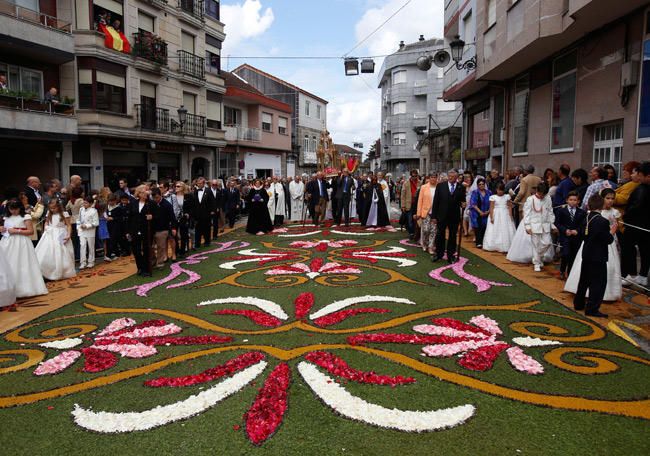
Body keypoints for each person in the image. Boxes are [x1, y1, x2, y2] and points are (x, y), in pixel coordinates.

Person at [565, 189, 622, 300]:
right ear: (601, 200)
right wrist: (612, 232)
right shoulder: (597, 217)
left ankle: (583, 300)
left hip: (594, 247)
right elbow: (604, 235)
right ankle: (593, 301)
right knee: (597, 276)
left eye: (612, 198)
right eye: (607, 198)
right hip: (600, 246)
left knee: (592, 273)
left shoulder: (613, 212)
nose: (610, 201)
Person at [570, 193, 616, 317]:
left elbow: (581, 234)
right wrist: (611, 232)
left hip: (587, 253)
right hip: (598, 256)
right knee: (598, 283)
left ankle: (578, 303)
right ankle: (592, 309)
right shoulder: (602, 221)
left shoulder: (586, 217)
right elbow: (607, 240)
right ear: (601, 206)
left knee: (584, 280)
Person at [0, 199, 48, 298]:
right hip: (7, 242)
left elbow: (30, 231)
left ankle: (25, 289)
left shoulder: (25, 216)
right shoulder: (6, 217)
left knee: (22, 264)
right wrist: (2, 229)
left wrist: (16, 231)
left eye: (16, 209)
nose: (13, 211)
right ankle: (10, 289)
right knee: (8, 264)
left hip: (21, 242)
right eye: (11, 209)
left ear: (20, 208)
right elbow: (6, 230)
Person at [621, 161, 650, 287]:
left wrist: (625, 217)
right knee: (645, 250)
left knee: (628, 248)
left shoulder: (641, 189)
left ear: (647, 176)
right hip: (646, 225)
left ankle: (631, 275)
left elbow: (635, 207)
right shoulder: (641, 187)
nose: (637, 176)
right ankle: (643, 275)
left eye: (639, 174)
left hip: (635, 225)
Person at [431, 169, 466, 263]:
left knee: (452, 236)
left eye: (453, 177)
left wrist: (463, 204)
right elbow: (436, 202)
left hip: (454, 216)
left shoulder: (461, 187)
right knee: (440, 235)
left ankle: (450, 255)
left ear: (457, 177)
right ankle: (439, 254)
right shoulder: (440, 186)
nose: (451, 178)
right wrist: (434, 216)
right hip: (441, 215)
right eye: (449, 176)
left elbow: (463, 200)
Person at [35, 199, 75, 280]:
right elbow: (46, 222)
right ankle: (48, 270)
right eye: (51, 208)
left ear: (58, 207)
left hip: (61, 233)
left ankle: (64, 270)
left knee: (63, 251)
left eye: (54, 208)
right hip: (50, 234)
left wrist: (68, 235)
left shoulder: (64, 214)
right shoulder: (49, 214)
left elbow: (68, 225)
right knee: (48, 251)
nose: (52, 210)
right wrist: (46, 227)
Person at [522, 183, 555, 272]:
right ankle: (537, 263)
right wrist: (527, 226)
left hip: (545, 225)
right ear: (537, 191)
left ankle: (538, 256)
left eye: (543, 194)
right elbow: (526, 213)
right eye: (540, 194)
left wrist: (552, 224)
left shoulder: (548, 198)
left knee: (547, 243)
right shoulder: (530, 199)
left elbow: (550, 211)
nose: (541, 196)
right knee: (535, 245)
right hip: (534, 225)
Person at [555, 191, 587, 280]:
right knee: (565, 254)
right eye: (571, 200)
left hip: (576, 238)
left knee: (573, 256)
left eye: (575, 200)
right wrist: (565, 230)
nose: (573, 202)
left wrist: (577, 231)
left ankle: (569, 273)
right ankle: (562, 270)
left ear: (578, 201)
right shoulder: (561, 211)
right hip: (565, 237)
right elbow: (557, 223)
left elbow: (583, 225)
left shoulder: (582, 213)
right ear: (567, 200)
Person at [128, 185, 158, 276]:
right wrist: (128, 231)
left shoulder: (151, 203)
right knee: (136, 250)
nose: (147, 193)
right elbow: (129, 218)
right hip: (135, 229)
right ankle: (140, 267)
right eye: (145, 191)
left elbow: (158, 216)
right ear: (139, 193)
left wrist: (152, 217)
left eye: (147, 191)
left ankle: (146, 269)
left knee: (146, 249)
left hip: (147, 230)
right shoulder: (133, 203)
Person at [483, 183, 515, 253]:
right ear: (496, 190)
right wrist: (491, 217)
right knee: (495, 229)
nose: (500, 191)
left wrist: (510, 215)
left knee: (505, 229)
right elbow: (491, 207)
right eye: (499, 190)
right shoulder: (493, 197)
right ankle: (494, 245)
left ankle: (506, 245)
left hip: (505, 214)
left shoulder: (507, 196)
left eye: (502, 190)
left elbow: (509, 206)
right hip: (496, 214)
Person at [151, 188, 176, 268]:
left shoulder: (167, 205)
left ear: (161, 195)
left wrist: (173, 228)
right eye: (154, 198)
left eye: (157, 197)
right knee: (151, 246)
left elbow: (172, 217)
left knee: (161, 246)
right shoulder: (151, 204)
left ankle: (160, 262)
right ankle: (153, 260)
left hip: (163, 228)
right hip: (152, 228)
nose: (156, 199)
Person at [415, 173, 438, 254]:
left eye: (435, 177)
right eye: (432, 177)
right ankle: (424, 243)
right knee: (425, 229)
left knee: (433, 230)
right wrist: (418, 213)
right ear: (429, 178)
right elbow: (420, 200)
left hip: (435, 213)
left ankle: (430, 246)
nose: (433, 179)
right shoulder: (424, 187)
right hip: (425, 212)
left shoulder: (439, 187)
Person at [172, 181, 194, 257]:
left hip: (184, 218)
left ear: (183, 188)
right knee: (174, 235)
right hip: (174, 218)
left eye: (178, 186)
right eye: (176, 186)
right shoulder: (172, 196)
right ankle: (176, 250)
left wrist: (188, 214)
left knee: (183, 234)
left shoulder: (188, 196)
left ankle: (183, 251)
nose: (176, 188)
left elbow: (192, 207)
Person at [193, 177, 215, 248]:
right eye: (198, 183)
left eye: (200, 183)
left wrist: (212, 211)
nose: (198, 185)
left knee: (207, 228)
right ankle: (197, 243)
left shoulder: (208, 191)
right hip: (198, 214)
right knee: (197, 229)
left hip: (206, 213)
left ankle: (207, 241)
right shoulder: (195, 191)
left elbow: (212, 201)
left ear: (203, 183)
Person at [77, 196, 99, 269]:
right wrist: (78, 227)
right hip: (82, 231)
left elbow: (96, 223)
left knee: (90, 246)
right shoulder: (81, 209)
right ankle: (82, 262)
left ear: (90, 203)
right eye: (84, 202)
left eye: (86, 203)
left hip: (90, 231)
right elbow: (79, 219)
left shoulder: (94, 211)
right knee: (82, 245)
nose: (84, 204)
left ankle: (91, 261)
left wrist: (87, 226)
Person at [469, 178, 491, 248]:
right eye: (480, 184)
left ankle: (483, 241)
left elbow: (492, 202)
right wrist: (480, 212)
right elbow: (473, 204)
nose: (481, 185)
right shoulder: (475, 192)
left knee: (484, 227)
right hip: (476, 213)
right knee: (478, 227)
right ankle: (478, 242)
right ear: (477, 185)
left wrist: (488, 211)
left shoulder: (489, 192)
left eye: (483, 184)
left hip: (486, 212)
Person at [400, 170, 421, 239]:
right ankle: (411, 233)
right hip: (409, 204)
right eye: (413, 176)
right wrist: (403, 206)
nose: (414, 177)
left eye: (415, 176)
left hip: (418, 204)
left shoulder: (420, 183)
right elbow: (403, 195)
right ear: (410, 176)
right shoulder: (406, 183)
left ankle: (416, 233)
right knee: (409, 220)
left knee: (417, 220)